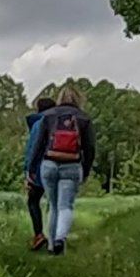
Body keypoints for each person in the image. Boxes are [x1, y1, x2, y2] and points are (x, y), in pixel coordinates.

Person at [29, 86, 97, 255]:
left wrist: (31, 168)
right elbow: (90, 148)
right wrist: (86, 170)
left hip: (49, 164)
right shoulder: (84, 118)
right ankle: (60, 238)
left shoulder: (49, 116)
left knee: (53, 206)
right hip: (72, 165)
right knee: (65, 205)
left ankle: (52, 246)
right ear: (78, 99)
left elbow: (38, 145)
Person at [21, 95, 58, 250]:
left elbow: (31, 149)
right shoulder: (62, 123)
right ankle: (56, 238)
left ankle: (38, 235)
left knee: (33, 201)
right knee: (54, 204)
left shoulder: (37, 124)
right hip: (59, 167)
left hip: (39, 170)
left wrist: (27, 171)